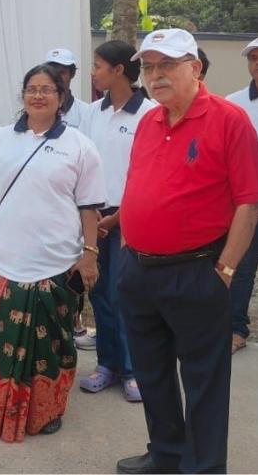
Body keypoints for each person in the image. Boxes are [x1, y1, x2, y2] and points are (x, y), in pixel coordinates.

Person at [115, 29, 258, 475]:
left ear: (194, 68)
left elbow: (249, 202)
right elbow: (137, 187)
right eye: (149, 67)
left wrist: (228, 267)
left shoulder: (229, 119)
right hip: (139, 270)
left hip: (198, 270)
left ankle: (204, 467)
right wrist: (125, 249)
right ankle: (167, 453)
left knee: (203, 380)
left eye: (167, 66)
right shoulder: (149, 120)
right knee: (153, 373)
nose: (155, 76)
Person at [0, 63, 105, 441]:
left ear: (61, 98)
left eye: (48, 89)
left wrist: (89, 252)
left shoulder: (79, 146)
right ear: (23, 95)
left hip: (55, 264)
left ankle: (49, 408)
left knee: (53, 344)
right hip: (7, 261)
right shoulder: (2, 140)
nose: (38, 95)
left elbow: (89, 207)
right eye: (32, 88)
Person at [78, 41, 155, 403]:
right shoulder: (92, 113)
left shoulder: (149, 115)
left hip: (132, 218)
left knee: (127, 296)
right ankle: (107, 364)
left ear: (120, 70)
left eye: (98, 66)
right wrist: (89, 215)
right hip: (94, 217)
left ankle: (132, 368)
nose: (93, 73)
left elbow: (150, 175)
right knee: (99, 293)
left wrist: (118, 216)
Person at [225, 36, 258, 355]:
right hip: (248, 205)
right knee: (241, 268)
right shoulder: (234, 104)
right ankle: (236, 329)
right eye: (254, 57)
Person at [45, 48, 90, 128]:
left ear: (72, 74)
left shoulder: (86, 112)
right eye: (51, 72)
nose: (55, 76)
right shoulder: (37, 107)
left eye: (61, 72)